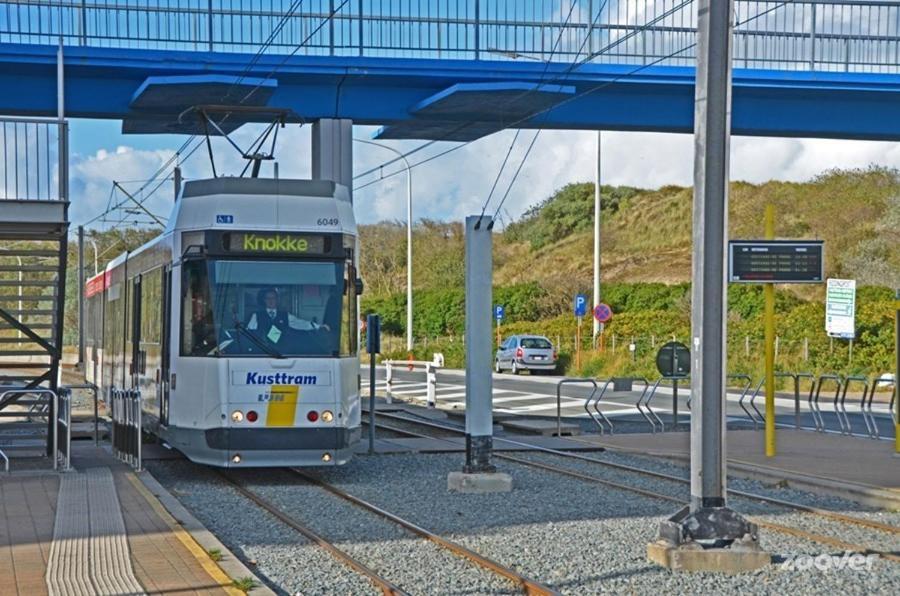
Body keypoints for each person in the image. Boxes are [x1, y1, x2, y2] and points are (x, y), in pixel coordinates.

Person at [245, 287, 329, 344]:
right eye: (268, 298)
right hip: (263, 350)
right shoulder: (256, 316)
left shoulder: (285, 315)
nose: (271, 301)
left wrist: (318, 326)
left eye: (273, 298)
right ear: (264, 300)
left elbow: (300, 323)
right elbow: (249, 334)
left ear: (277, 300)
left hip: (282, 351)